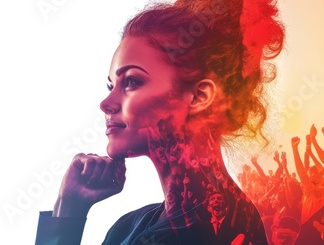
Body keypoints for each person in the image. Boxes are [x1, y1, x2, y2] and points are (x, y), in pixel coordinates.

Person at [35, 0, 284, 244]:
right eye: (111, 85)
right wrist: (69, 206)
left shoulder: (189, 233)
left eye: (132, 81)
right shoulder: (134, 224)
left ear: (199, 96)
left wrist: (68, 214)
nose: (106, 103)